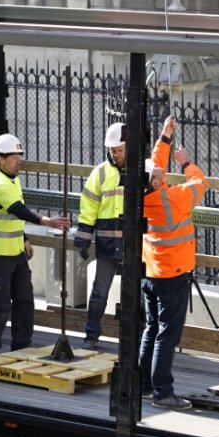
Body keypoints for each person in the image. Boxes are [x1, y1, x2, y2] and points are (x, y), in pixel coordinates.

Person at [0, 133, 70, 357]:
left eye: (20, 156)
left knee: (25, 300)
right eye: (13, 157)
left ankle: (21, 348)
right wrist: (45, 221)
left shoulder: (12, 179)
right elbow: (19, 210)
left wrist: (24, 238)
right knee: (0, 306)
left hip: (15, 251)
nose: (19, 160)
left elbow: (12, 218)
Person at [139, 117, 207, 410]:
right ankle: (162, 392)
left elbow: (153, 163)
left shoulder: (139, 195)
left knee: (151, 329)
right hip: (174, 276)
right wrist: (186, 161)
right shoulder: (174, 198)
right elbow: (201, 184)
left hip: (151, 273)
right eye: (158, 172)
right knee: (167, 334)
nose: (161, 169)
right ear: (156, 180)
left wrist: (165, 137)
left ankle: (142, 384)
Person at [73, 120, 127, 350]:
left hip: (132, 243)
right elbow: (88, 206)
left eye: (119, 150)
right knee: (99, 292)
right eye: (112, 150)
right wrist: (83, 237)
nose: (115, 154)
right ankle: (91, 335)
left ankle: (134, 340)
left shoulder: (141, 170)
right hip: (108, 243)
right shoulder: (101, 172)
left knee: (137, 294)